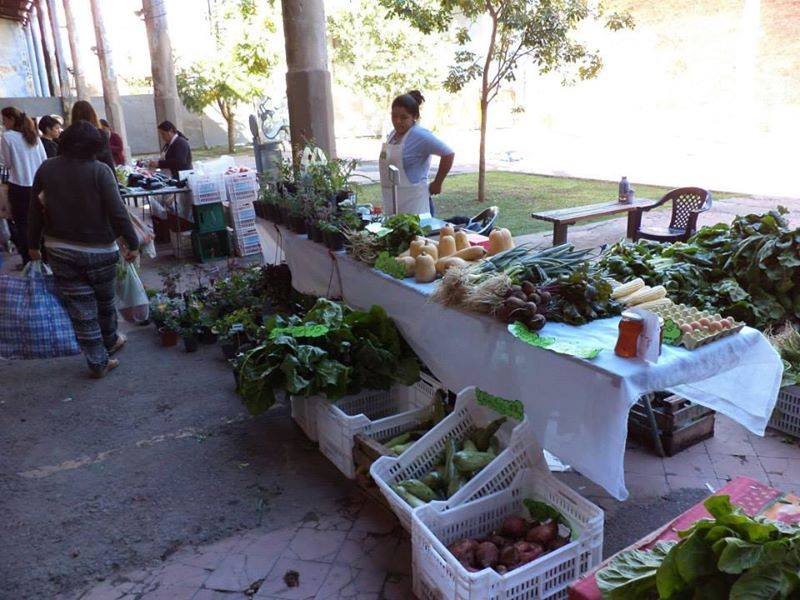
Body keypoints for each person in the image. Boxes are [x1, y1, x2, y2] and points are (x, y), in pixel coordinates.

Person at [29, 121, 139, 378]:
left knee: (81, 309)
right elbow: (117, 211)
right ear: (95, 146)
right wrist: (132, 243)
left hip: (60, 249)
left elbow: (34, 211)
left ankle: (98, 360)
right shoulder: (99, 171)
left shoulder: (46, 169)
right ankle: (110, 341)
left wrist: (32, 244)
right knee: (104, 302)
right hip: (101, 250)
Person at [379, 90, 455, 216]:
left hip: (415, 206)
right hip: (394, 204)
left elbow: (448, 153)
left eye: (403, 117)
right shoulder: (392, 135)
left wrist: (437, 183)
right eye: (394, 116)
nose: (398, 121)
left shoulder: (420, 135)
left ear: (414, 117)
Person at [1, 106, 46, 268]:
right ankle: (44, 258)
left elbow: (6, 163)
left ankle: (28, 261)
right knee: (41, 221)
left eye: (4, 120)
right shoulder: (34, 135)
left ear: (12, 120)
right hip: (38, 185)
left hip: (18, 186)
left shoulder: (7, 137)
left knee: (22, 224)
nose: (4, 124)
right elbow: (44, 159)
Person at [66, 100, 116, 173]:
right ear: (92, 114)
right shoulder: (100, 134)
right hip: (97, 175)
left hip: (74, 176)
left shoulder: (67, 135)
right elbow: (108, 159)